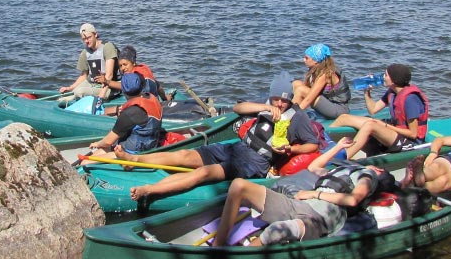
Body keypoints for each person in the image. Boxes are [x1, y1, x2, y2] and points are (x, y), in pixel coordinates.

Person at [96, 73, 325, 201]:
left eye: (284, 100)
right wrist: (263, 108)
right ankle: (135, 159)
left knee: (204, 173)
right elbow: (239, 108)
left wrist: (291, 151)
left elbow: (312, 144)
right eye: (277, 99)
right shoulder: (266, 105)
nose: (280, 104)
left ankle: (151, 189)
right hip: (237, 148)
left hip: (254, 162)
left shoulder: (298, 117)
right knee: (185, 155)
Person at [213, 136, 391, 246]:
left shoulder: (367, 175)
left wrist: (315, 194)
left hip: (320, 218)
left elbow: (353, 200)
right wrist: (338, 147)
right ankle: (216, 249)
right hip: (299, 204)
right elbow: (314, 166)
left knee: (276, 230)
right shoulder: (340, 171)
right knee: (238, 185)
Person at [331, 64, 429, 154]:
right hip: (395, 130)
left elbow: (413, 134)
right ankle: (325, 148)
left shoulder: (410, 99)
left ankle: (344, 156)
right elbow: (373, 110)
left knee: (370, 125)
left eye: (386, 75)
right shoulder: (392, 92)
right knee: (344, 118)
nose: (383, 77)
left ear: (394, 80)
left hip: (409, 142)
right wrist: (367, 92)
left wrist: (385, 126)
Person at [87, 72, 164, 154]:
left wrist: (97, 144)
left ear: (123, 90)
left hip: (131, 153)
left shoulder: (130, 113)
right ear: (142, 87)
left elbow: (108, 142)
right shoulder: (153, 99)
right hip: (151, 147)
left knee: (86, 162)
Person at [59, 23, 119, 98]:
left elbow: (109, 75)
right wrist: (70, 88)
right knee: (69, 95)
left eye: (89, 37)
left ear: (95, 35)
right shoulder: (85, 53)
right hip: (93, 84)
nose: (87, 41)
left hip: (109, 87)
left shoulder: (107, 47)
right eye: (84, 39)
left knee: (80, 92)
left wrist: (101, 95)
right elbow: (83, 76)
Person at [292, 43, 351, 118]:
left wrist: (293, 116)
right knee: (296, 83)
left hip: (339, 109)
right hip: (328, 104)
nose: (303, 60)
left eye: (306, 58)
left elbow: (309, 99)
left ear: (316, 61)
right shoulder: (316, 70)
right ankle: (289, 111)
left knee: (301, 90)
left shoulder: (325, 74)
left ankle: (292, 117)